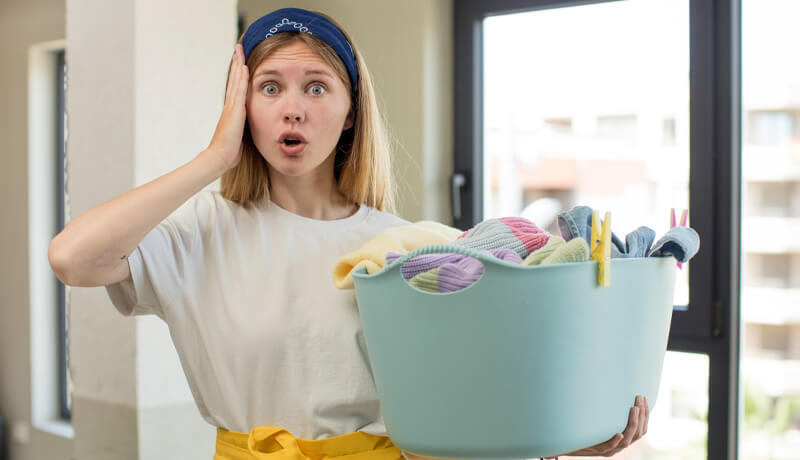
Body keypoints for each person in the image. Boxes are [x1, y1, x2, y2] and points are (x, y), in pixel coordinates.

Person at [48, 7, 649, 460]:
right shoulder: (199, 232)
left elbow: (461, 397)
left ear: (351, 110)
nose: (292, 108)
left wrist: (558, 442)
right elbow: (73, 258)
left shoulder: (405, 245)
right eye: (269, 87)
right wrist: (214, 158)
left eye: (316, 86)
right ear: (242, 107)